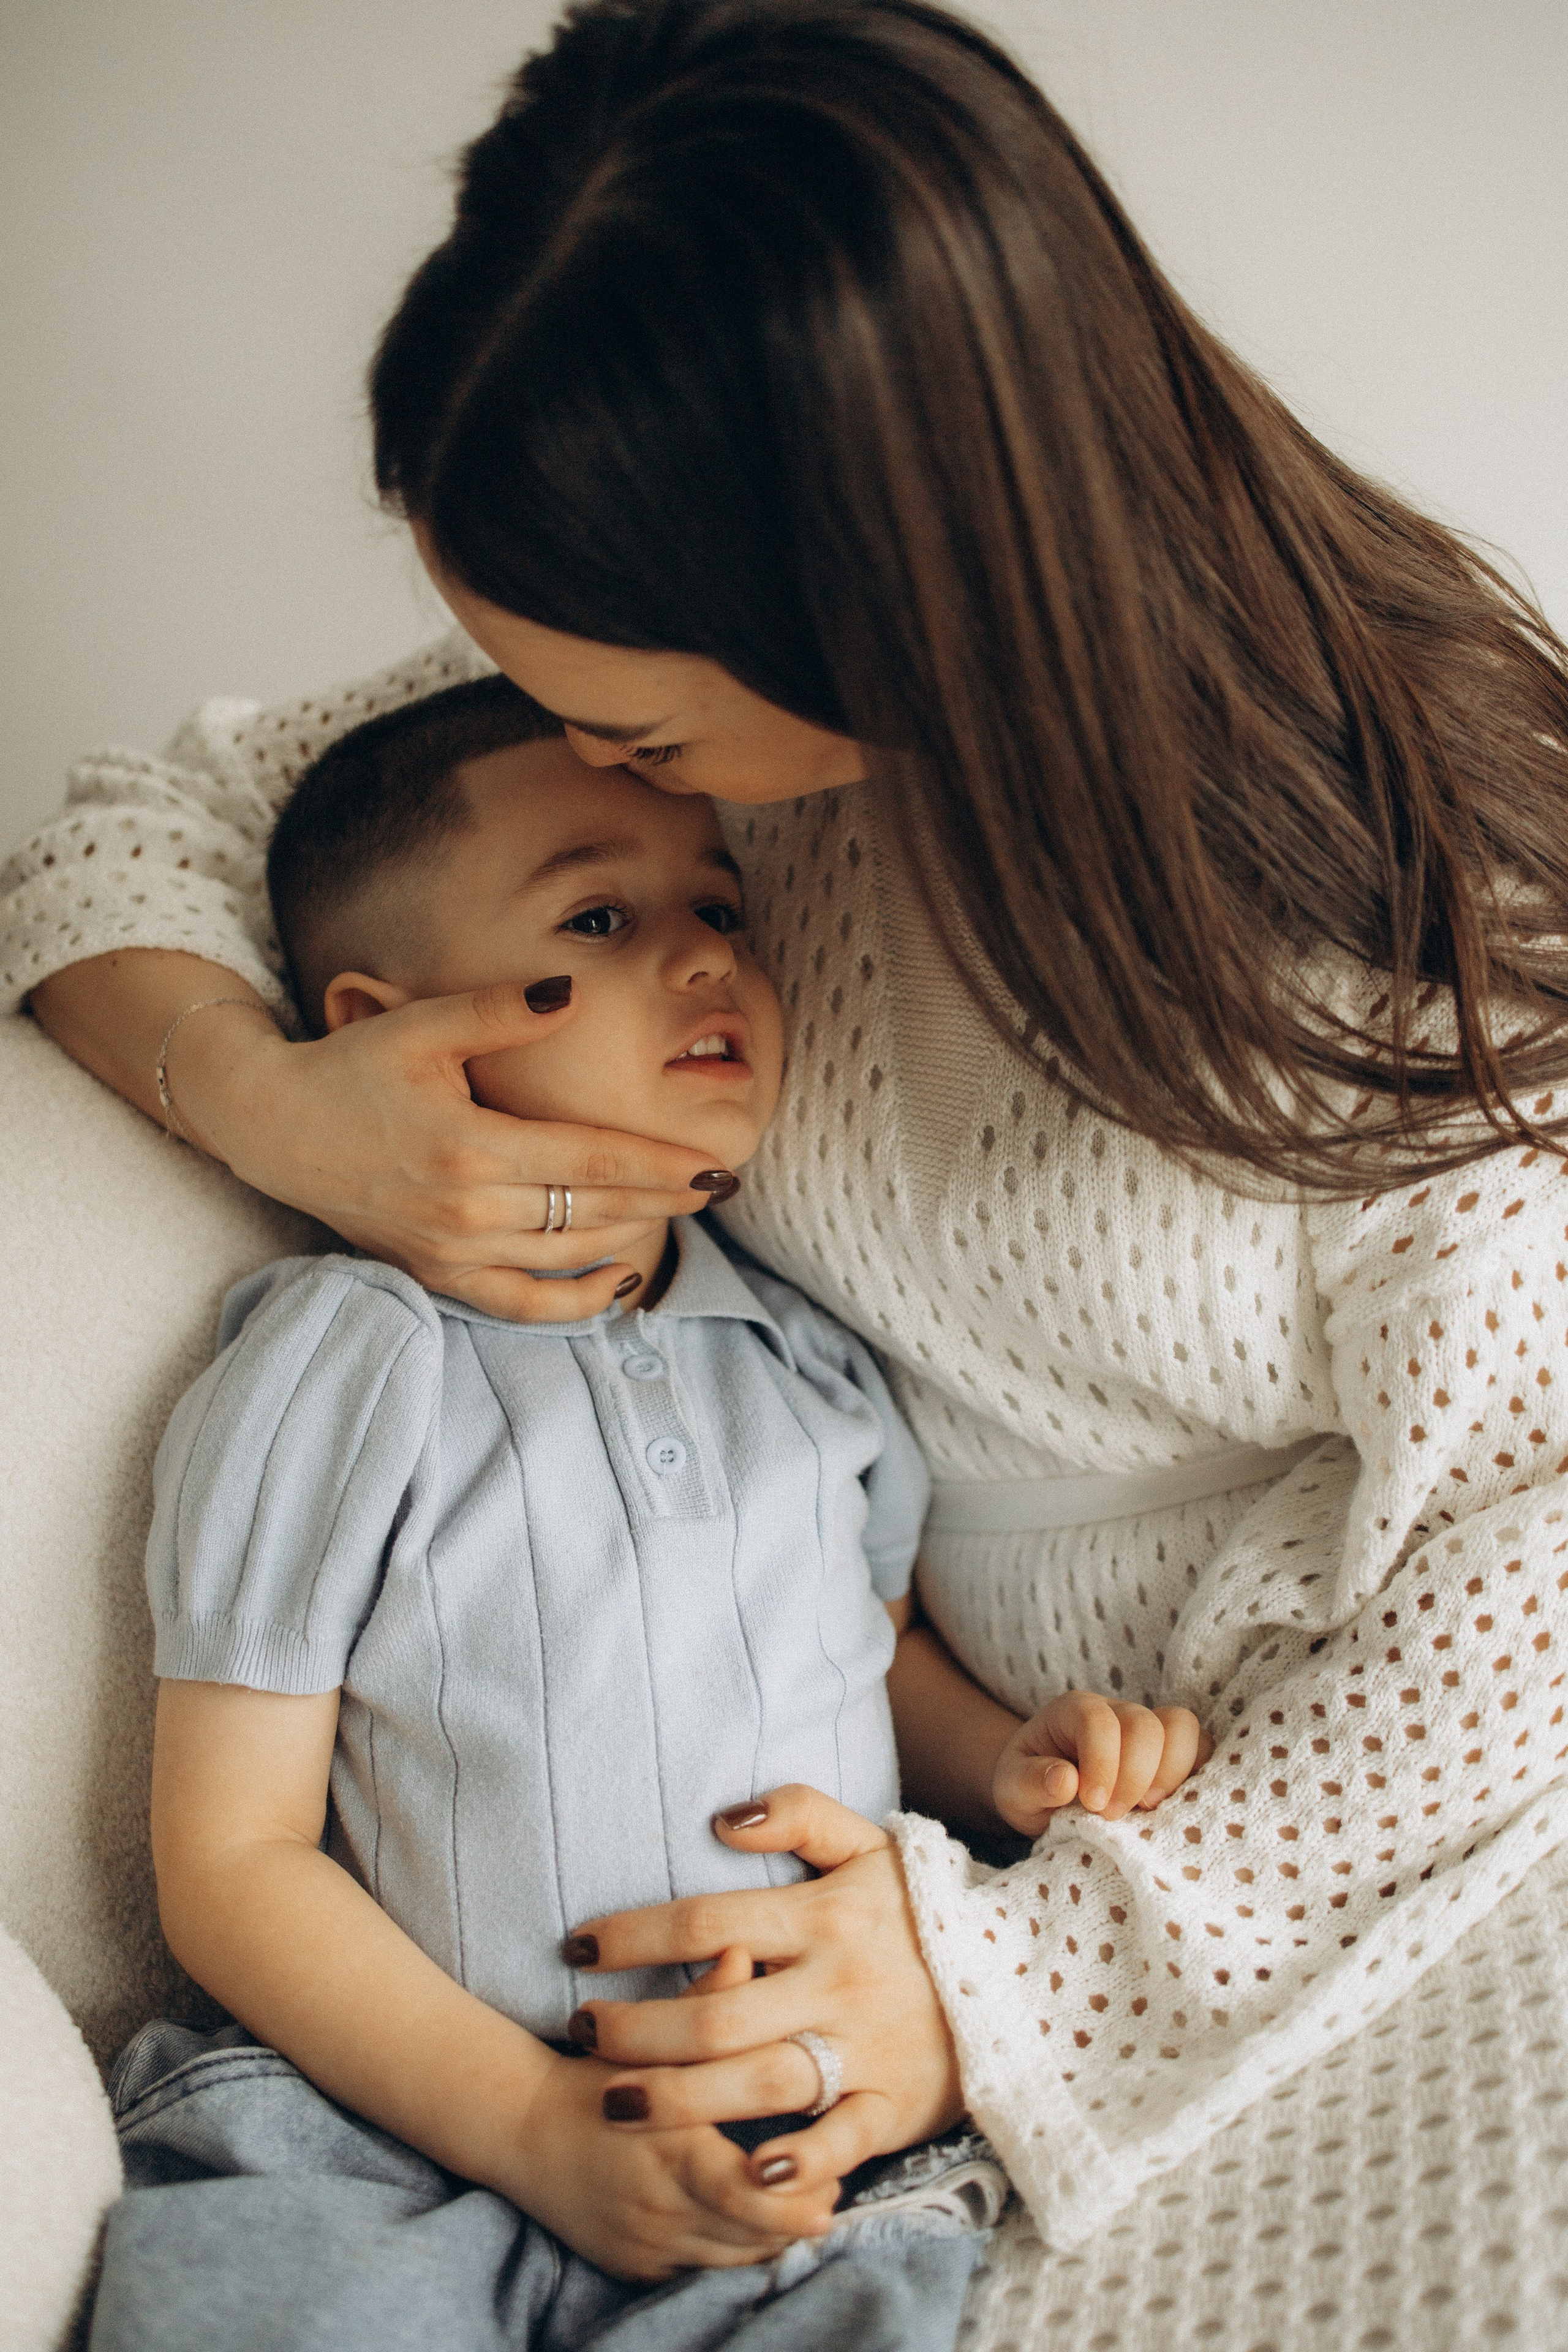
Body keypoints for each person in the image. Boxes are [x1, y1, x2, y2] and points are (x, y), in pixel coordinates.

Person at [9, 0, 1568, 2297]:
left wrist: (1024, 1970)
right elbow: (129, 832)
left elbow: (1532, 1578)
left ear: (881, 598)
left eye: (618, 715)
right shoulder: (669, 790)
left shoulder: (1427, 926)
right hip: (855, 1826)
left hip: (1262, 1828)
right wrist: (282, 1111)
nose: (579, 759)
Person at [90, 676, 1210, 2350]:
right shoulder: (352, 1360)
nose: (703, 957)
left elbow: (869, 1655)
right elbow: (231, 1860)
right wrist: (532, 2128)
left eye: (716, 908)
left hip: (787, 2143)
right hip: (391, 2130)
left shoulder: (803, 1356)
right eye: (600, 916)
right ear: (379, 1027)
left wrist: (1005, 1764)